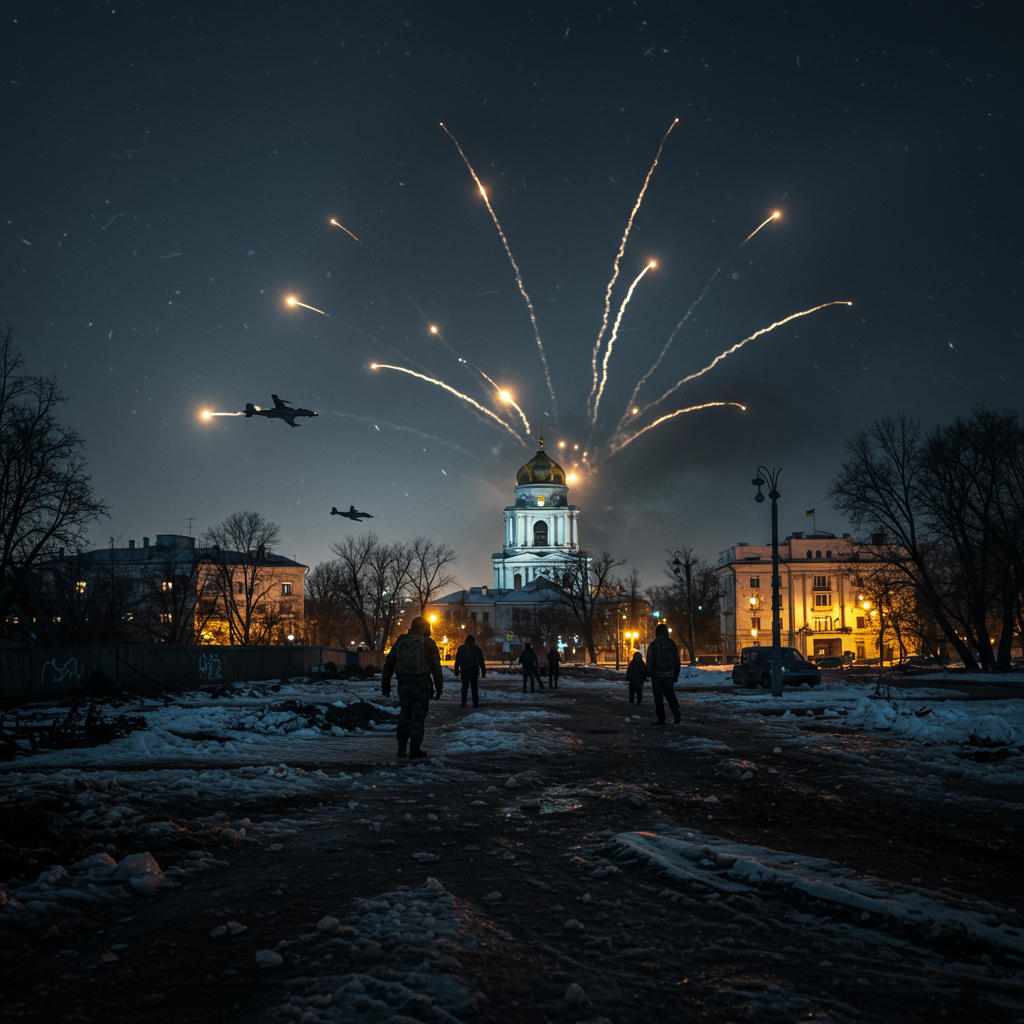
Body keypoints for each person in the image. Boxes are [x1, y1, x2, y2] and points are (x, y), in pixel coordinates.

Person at [381, 615, 443, 758]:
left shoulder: (401, 642)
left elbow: (389, 664)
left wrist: (386, 684)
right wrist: (439, 687)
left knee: (405, 714)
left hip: (403, 684)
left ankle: (401, 748)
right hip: (420, 684)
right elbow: (436, 667)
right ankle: (415, 749)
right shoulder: (428, 643)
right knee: (418, 717)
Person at [645, 624, 681, 724]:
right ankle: (676, 711)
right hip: (669, 674)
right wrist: (675, 674)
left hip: (657, 675)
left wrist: (650, 673)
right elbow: (677, 660)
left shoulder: (654, 644)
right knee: (670, 694)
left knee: (658, 697)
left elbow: (650, 660)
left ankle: (661, 719)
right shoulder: (671, 643)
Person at [453, 633, 487, 707]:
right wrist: (483, 672)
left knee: (464, 688)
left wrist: (456, 670)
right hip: (474, 670)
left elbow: (457, 660)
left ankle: (463, 703)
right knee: (474, 687)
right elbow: (481, 661)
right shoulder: (477, 648)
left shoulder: (461, 648)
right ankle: (475, 703)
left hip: (464, 670)